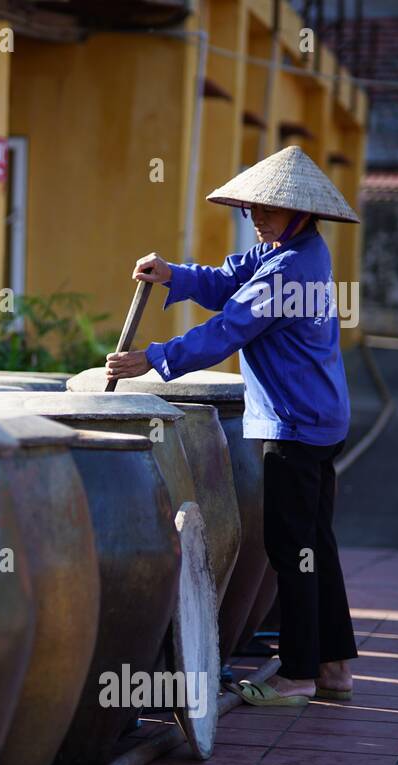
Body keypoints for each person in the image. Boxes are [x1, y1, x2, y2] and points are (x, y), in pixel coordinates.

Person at [106, 145, 359, 707]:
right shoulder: (294, 251)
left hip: (295, 424)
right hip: (319, 416)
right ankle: (333, 666)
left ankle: (297, 673)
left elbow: (229, 329)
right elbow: (227, 283)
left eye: (264, 209)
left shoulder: (289, 267)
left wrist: (152, 358)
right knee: (316, 543)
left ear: (295, 211)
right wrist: (175, 275)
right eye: (251, 209)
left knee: (292, 547)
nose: (256, 218)